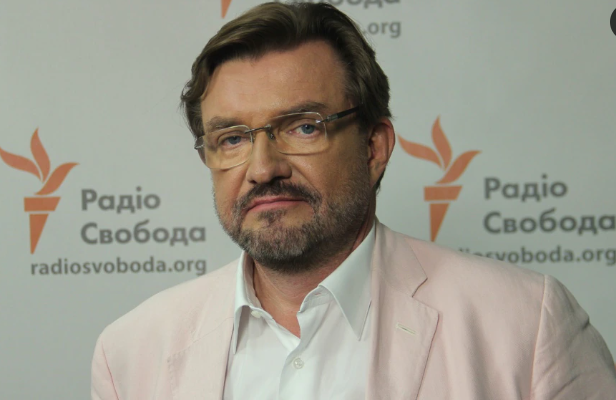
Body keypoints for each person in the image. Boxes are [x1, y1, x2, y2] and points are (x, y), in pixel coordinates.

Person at [91, 2, 616, 399]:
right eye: (231, 138)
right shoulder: (131, 353)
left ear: (373, 147)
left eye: (302, 126)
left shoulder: (526, 325)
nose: (263, 168)